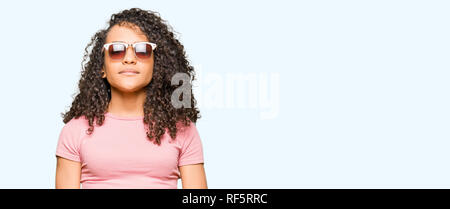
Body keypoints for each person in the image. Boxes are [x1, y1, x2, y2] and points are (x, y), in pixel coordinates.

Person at [55, 8, 207, 189]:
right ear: (102, 68)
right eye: (116, 50)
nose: (129, 59)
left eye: (142, 50)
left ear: (155, 66)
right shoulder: (74, 130)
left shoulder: (182, 129)